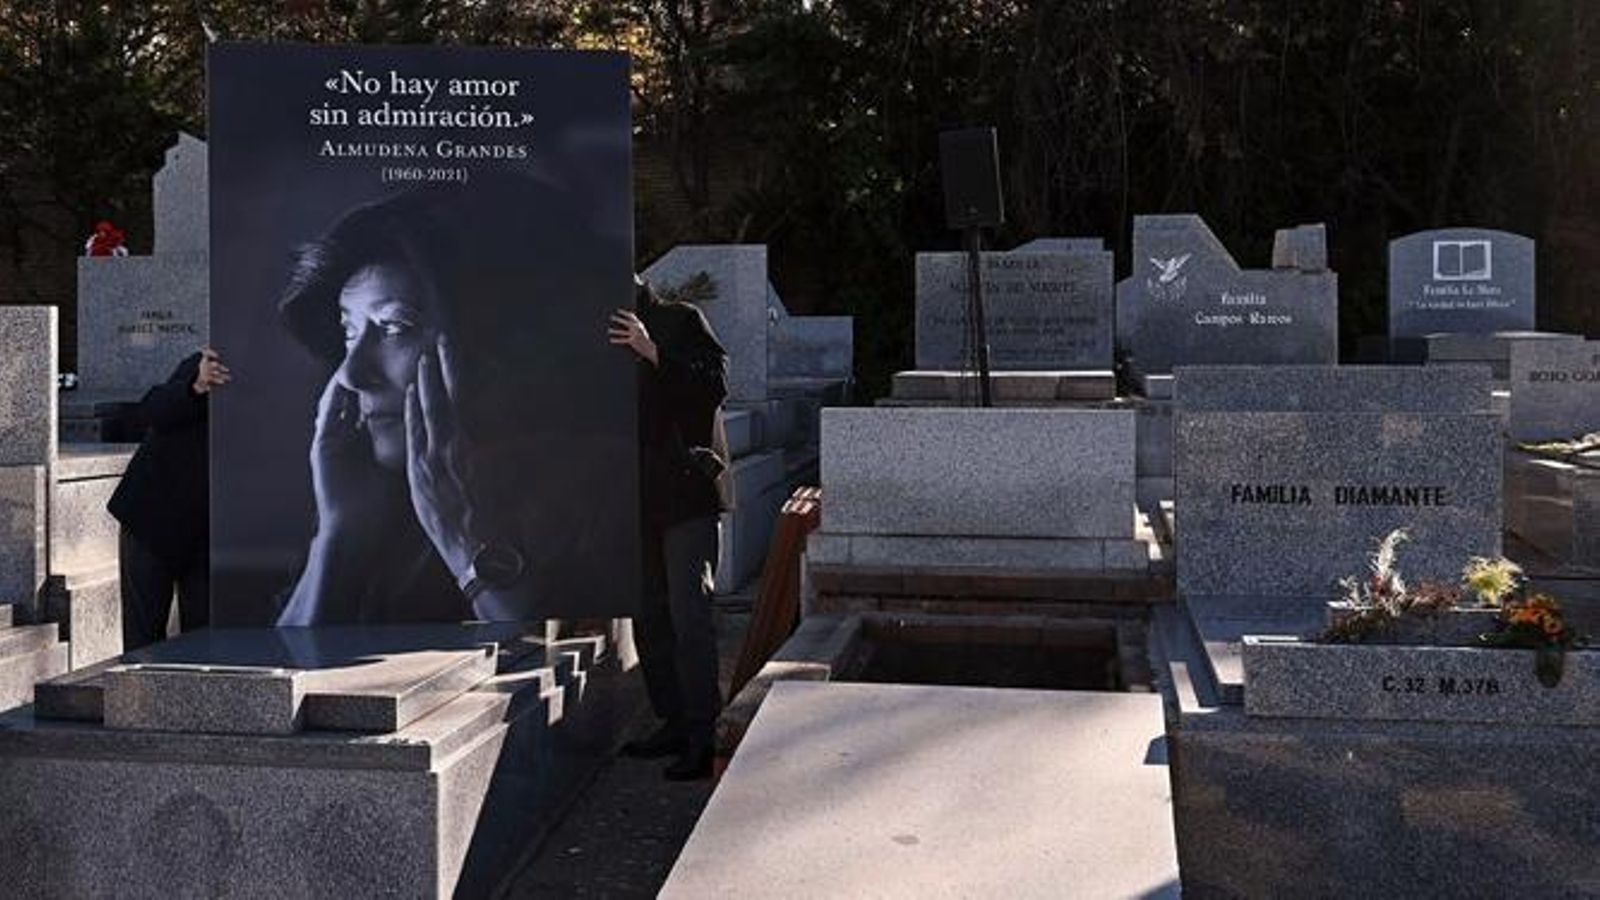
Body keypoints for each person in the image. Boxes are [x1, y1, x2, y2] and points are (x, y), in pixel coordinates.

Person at [272, 177, 628, 626]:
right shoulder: (372, 492)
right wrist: (337, 536)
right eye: (348, 330)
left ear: (493, 343)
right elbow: (281, 666)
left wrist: (465, 539)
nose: (351, 373)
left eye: (395, 326)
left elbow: (572, 672)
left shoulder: (604, 490)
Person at [610, 276, 732, 781]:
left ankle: (705, 737)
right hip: (635, 498)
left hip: (687, 495)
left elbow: (714, 386)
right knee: (651, 616)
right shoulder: (596, 332)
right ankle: (674, 722)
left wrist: (651, 350)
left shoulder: (681, 319)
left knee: (689, 616)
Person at [109, 347, 230, 650]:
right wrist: (198, 385)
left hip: (209, 532)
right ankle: (136, 696)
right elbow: (152, 411)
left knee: (201, 640)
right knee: (143, 635)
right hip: (152, 518)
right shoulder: (206, 362)